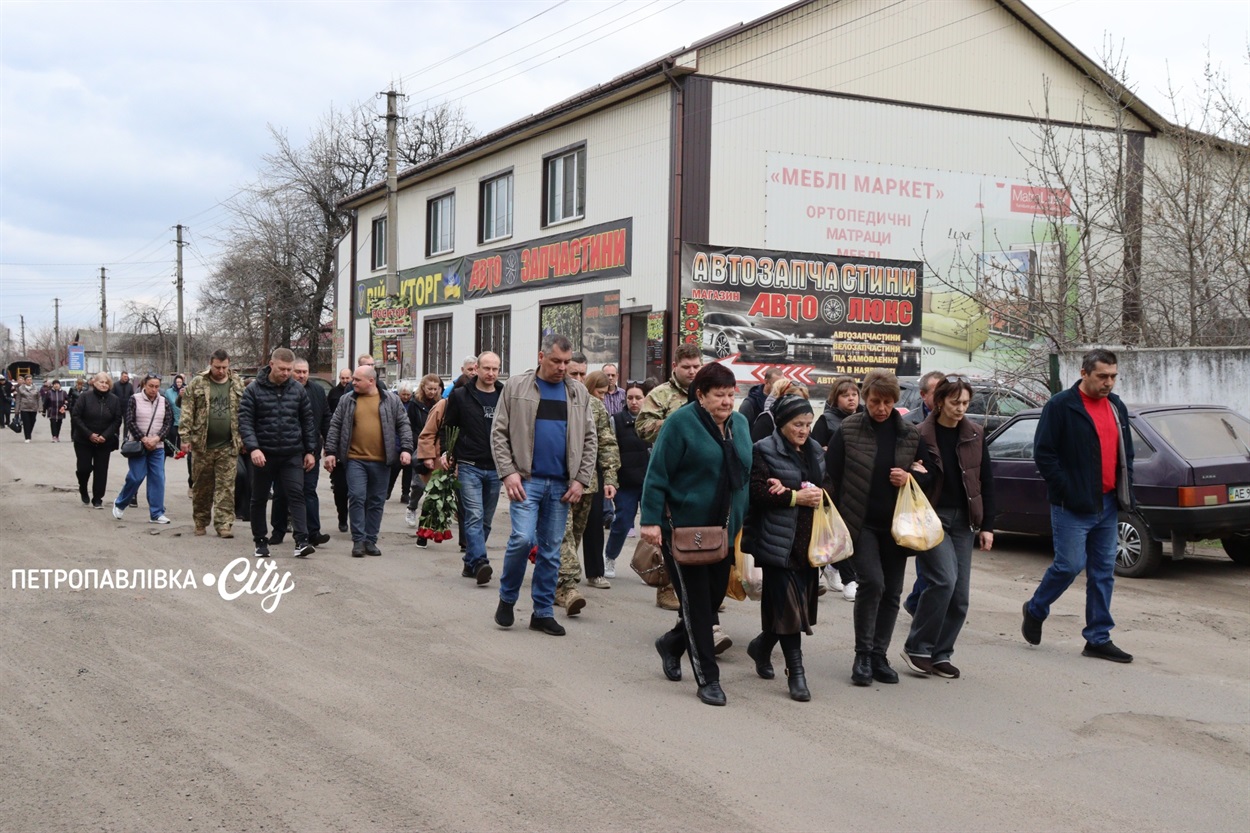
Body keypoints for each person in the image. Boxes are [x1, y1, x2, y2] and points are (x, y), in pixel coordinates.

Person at [640, 362, 752, 706]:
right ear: (700, 395)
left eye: (731, 394)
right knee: (699, 607)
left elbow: (747, 474)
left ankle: (671, 643)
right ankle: (708, 679)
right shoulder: (680, 423)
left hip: (725, 531)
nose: (727, 401)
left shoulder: (740, 424)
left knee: (711, 600)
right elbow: (657, 473)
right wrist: (651, 520)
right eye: (719, 395)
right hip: (684, 531)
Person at [1022, 349, 1135, 663]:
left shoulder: (1116, 406)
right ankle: (1036, 608)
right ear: (1084, 373)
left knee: (1103, 572)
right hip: (1072, 505)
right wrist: (1067, 490)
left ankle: (1098, 638)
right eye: (1102, 376)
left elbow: (1125, 453)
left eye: (1113, 376)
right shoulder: (1061, 405)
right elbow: (1044, 453)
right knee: (1069, 565)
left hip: (1107, 502)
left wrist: (1126, 490)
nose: (1108, 382)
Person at [825, 369, 932, 687]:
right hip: (860, 523)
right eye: (874, 401)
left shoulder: (909, 433)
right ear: (866, 399)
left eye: (887, 402)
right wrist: (832, 519)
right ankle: (862, 655)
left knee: (893, 591)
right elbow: (831, 474)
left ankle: (878, 656)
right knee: (872, 583)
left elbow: (929, 474)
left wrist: (911, 477)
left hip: (897, 527)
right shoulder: (849, 429)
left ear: (895, 400)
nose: (881, 408)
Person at [490, 333, 597, 638]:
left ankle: (543, 613)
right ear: (541, 357)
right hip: (526, 481)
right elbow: (499, 432)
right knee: (522, 539)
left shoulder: (577, 392)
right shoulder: (516, 387)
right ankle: (507, 598)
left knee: (550, 551)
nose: (562, 367)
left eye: (567, 362)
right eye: (556, 361)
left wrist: (581, 479)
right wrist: (508, 473)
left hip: (561, 485)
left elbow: (590, 439)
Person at [900, 376, 996, 679]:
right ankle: (917, 647)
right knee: (943, 580)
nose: (961, 408)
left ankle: (941, 654)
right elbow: (905, 475)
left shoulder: (975, 433)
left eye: (965, 403)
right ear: (939, 402)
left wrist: (988, 525)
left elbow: (986, 481)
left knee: (960, 595)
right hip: (930, 518)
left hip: (964, 521)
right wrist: (911, 470)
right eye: (955, 402)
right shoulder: (919, 433)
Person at [741, 394, 825, 701]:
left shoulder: (815, 450)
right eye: (797, 424)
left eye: (808, 424)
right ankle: (796, 673)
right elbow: (755, 492)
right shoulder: (763, 449)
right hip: (776, 543)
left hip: (807, 543)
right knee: (790, 610)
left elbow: (827, 484)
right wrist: (792, 496)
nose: (804, 430)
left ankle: (761, 646)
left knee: (794, 609)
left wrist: (819, 493)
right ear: (781, 423)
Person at [636, 343, 704, 613]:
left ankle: (699, 591)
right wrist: (675, 423)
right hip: (670, 472)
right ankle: (666, 587)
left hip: (701, 473)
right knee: (669, 534)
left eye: (696, 366)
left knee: (701, 534)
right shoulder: (661, 394)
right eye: (686, 367)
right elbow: (642, 427)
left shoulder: (706, 392)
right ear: (675, 366)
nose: (692, 371)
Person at [324, 365, 413, 557]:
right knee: (356, 497)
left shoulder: (391, 400)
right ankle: (358, 540)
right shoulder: (347, 400)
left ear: (371, 381)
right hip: (355, 459)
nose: (353, 382)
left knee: (376, 501)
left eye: (357, 379)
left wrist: (406, 449)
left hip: (382, 461)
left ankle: (370, 540)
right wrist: (330, 452)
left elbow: (404, 425)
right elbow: (335, 425)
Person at [238, 347, 318, 558]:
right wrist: (253, 448)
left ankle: (301, 541)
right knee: (259, 497)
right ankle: (260, 541)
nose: (286, 373)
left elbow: (307, 421)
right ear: (271, 364)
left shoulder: (297, 390)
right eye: (282, 369)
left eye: (289, 369)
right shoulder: (253, 390)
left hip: (292, 453)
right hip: (263, 454)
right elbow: (245, 421)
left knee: (296, 494)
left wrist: (310, 451)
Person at [556, 369, 619, 614]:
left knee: (575, 535)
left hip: (586, 483)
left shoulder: (594, 405)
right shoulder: (548, 399)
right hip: (555, 481)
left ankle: (555, 580)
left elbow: (606, 442)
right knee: (562, 535)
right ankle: (568, 585)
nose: (577, 377)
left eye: (581, 373)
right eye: (573, 372)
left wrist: (610, 478)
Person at [440, 351, 503, 582]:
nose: (491, 373)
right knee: (474, 515)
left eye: (495, 369)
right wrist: (446, 451)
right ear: (476, 369)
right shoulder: (460, 395)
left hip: (496, 466)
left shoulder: (504, 395)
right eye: (487, 368)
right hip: (469, 464)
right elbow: (448, 426)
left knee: (486, 520)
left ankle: (470, 562)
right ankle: (480, 563)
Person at [182, 349, 247, 538]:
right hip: (202, 445)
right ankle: (200, 522)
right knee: (202, 487)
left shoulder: (237, 383)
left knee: (226, 488)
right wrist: (185, 437)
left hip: (228, 445)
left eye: (224, 367)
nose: (221, 371)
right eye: (217, 367)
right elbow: (187, 410)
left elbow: (245, 411)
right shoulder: (198, 383)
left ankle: (224, 524)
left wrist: (244, 438)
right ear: (211, 364)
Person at [811, 375, 862, 601]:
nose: (851, 398)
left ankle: (830, 567)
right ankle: (850, 580)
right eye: (845, 395)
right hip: (835, 484)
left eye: (854, 394)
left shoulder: (865, 417)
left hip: (859, 484)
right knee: (841, 530)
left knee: (851, 532)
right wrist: (826, 452)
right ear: (835, 398)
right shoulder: (827, 420)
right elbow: (813, 450)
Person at [271, 358, 331, 547]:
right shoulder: (283, 390)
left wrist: (329, 446)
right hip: (287, 450)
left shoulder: (317, 391)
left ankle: (313, 532)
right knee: (282, 492)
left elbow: (325, 418)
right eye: (298, 372)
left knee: (309, 491)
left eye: (305, 372)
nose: (302, 375)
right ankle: (278, 531)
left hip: (311, 450)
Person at [111, 374, 174, 524]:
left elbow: (168, 422)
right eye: (151, 386)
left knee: (158, 479)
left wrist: (157, 438)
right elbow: (130, 421)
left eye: (157, 386)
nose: (154, 389)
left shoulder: (163, 401)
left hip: (157, 446)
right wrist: (144, 439)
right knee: (136, 477)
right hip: (138, 445)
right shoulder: (135, 399)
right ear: (144, 385)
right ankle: (120, 503)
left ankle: (157, 513)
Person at [604, 382, 649, 577]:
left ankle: (650, 566)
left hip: (649, 483)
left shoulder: (653, 420)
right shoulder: (616, 420)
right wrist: (611, 479)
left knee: (651, 526)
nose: (634, 402)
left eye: (638, 398)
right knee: (622, 522)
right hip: (626, 483)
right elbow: (610, 450)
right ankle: (610, 557)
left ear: (645, 399)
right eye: (630, 398)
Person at [71, 372, 122, 508]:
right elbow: (76, 416)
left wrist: (105, 435)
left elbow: (117, 420)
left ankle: (98, 498)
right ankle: (83, 487)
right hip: (84, 440)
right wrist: (89, 434)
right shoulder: (85, 397)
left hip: (104, 441)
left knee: (101, 470)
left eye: (106, 383)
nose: (104, 385)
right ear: (94, 383)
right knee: (84, 468)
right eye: (101, 382)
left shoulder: (114, 400)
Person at [403, 374, 442, 532]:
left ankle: (432, 516)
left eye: (435, 389)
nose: (432, 392)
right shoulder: (414, 403)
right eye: (429, 389)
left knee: (437, 484)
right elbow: (408, 425)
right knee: (419, 483)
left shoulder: (440, 403)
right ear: (423, 387)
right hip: (418, 446)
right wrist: (417, 442)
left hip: (436, 447)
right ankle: (412, 507)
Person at [327, 368, 354, 532]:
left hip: (359, 455)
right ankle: (342, 516)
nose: (345, 380)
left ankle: (358, 524)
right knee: (341, 489)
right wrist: (330, 450)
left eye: (347, 378)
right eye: (342, 378)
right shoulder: (335, 396)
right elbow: (332, 425)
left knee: (358, 492)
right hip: (340, 452)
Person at [164, 374, 189, 494]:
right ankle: (171, 451)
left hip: (183, 417)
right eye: (177, 382)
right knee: (172, 434)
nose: (179, 384)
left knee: (181, 436)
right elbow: (168, 403)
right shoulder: (169, 392)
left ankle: (180, 451)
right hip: (173, 417)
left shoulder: (186, 390)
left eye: (180, 382)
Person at [15, 374, 40, 441]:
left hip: (33, 408)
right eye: (28, 380)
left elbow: (39, 398)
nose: (29, 381)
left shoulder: (36, 388)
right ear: (25, 381)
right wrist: (17, 409)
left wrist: (40, 407)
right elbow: (18, 399)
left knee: (32, 421)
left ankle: (29, 433)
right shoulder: (21, 388)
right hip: (24, 408)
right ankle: (27, 437)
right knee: (26, 423)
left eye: (30, 379)